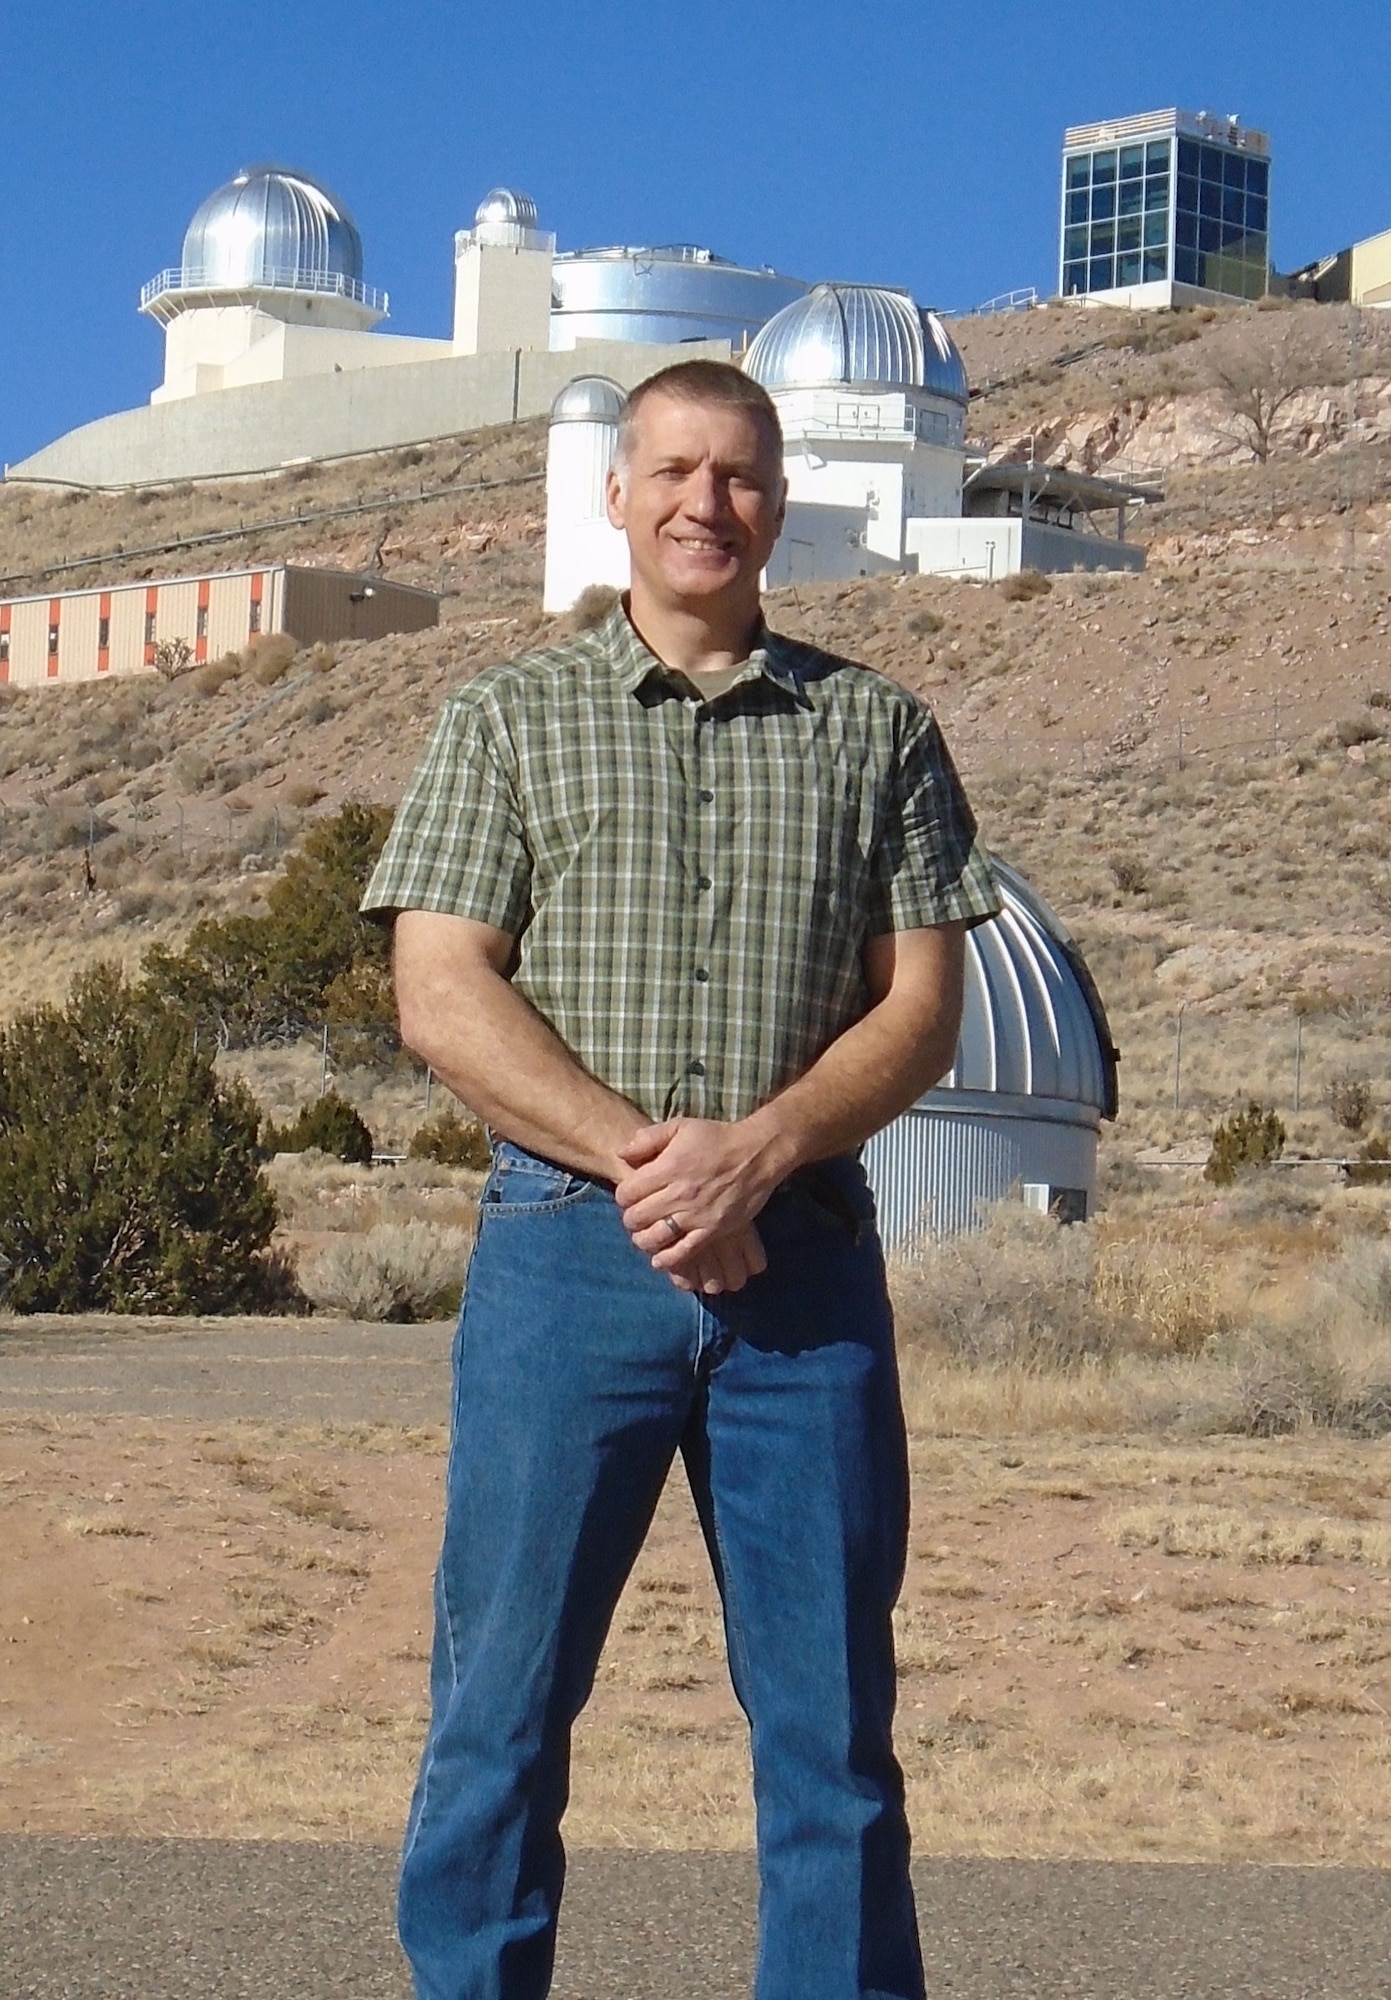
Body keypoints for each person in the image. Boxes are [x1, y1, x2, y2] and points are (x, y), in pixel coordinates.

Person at [361, 358, 1000, 2000]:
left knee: (830, 1742)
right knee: (497, 1717)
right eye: (675, 471)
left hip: (806, 1275)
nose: (705, 504)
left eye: (739, 476)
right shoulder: (507, 717)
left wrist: (761, 1155)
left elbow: (921, 1008)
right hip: (567, 1263)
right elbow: (441, 989)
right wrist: (653, 1169)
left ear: (780, 503)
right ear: (618, 491)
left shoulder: (878, 731)